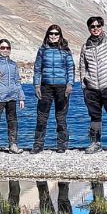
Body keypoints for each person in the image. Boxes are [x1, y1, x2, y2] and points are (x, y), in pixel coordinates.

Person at [79, 16, 107, 154]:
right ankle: (95, 143)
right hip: (91, 87)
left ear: (102, 27)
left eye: (98, 26)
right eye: (92, 27)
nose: (95, 29)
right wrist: (83, 84)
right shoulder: (85, 46)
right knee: (94, 115)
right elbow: (82, 66)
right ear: (89, 28)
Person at [32, 25, 75, 154]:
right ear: (47, 35)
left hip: (62, 87)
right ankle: (38, 145)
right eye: (51, 33)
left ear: (60, 35)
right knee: (42, 116)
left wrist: (70, 84)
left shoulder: (66, 50)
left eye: (56, 34)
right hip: (46, 87)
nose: (53, 36)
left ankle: (62, 145)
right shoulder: (42, 50)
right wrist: (36, 85)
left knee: (61, 117)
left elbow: (71, 69)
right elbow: (37, 69)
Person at [0, 39, 26, 155]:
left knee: (12, 121)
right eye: (3, 48)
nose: (5, 50)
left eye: (7, 48)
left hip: (12, 97)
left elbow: (17, 81)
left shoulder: (13, 64)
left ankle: (13, 145)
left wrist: (21, 97)